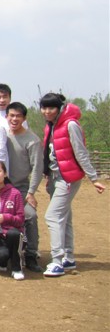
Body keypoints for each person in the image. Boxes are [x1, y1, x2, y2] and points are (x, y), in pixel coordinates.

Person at [39, 93, 105, 277]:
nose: (47, 111)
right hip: (55, 177)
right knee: (64, 216)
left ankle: (56, 261)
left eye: (51, 107)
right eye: (44, 107)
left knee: (52, 216)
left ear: (59, 108)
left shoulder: (71, 125)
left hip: (67, 178)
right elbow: (51, 154)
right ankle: (68, 257)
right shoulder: (51, 125)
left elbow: (80, 152)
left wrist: (93, 178)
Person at [5, 102, 44, 272]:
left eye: (18, 116)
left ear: (24, 118)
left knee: (30, 216)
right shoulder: (2, 135)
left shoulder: (32, 140)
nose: (14, 119)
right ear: (6, 116)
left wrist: (31, 192)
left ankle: (31, 254)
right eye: (11, 115)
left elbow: (37, 168)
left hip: (21, 188)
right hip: (1, 188)